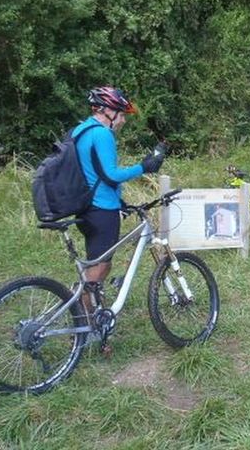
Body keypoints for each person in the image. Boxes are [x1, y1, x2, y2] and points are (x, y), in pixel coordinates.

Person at [72, 86, 164, 322]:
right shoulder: (102, 134)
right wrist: (145, 167)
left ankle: (91, 315)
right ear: (105, 111)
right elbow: (110, 175)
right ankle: (83, 318)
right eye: (121, 114)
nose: (123, 120)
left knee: (99, 262)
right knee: (100, 267)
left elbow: (92, 174)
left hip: (86, 207)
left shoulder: (80, 130)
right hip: (101, 210)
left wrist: (120, 200)